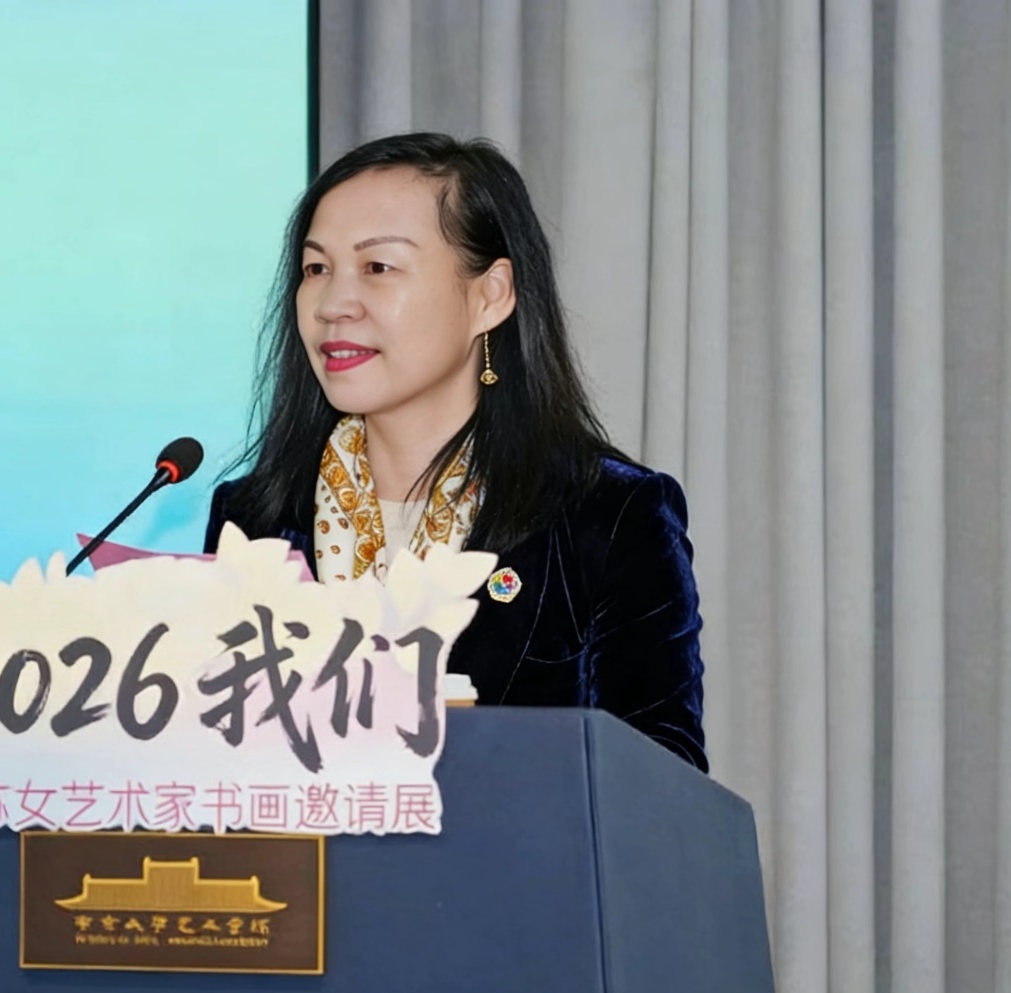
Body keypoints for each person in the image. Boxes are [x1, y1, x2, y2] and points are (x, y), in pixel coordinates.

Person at [204, 133, 706, 772]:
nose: (333, 305)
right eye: (316, 269)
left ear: (489, 295)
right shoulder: (255, 520)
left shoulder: (606, 517)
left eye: (377, 267)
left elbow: (661, 785)